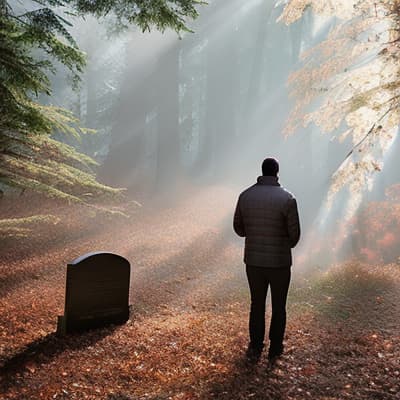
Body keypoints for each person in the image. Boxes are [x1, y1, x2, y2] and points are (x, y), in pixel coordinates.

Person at [233, 157, 300, 362]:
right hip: (279, 263)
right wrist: (283, 243)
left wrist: (253, 235)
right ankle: (276, 347)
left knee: (257, 303)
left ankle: (255, 345)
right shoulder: (287, 199)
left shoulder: (246, 196)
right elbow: (295, 235)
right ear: (277, 172)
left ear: (262, 171)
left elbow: (238, 228)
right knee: (279, 305)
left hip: (253, 261)